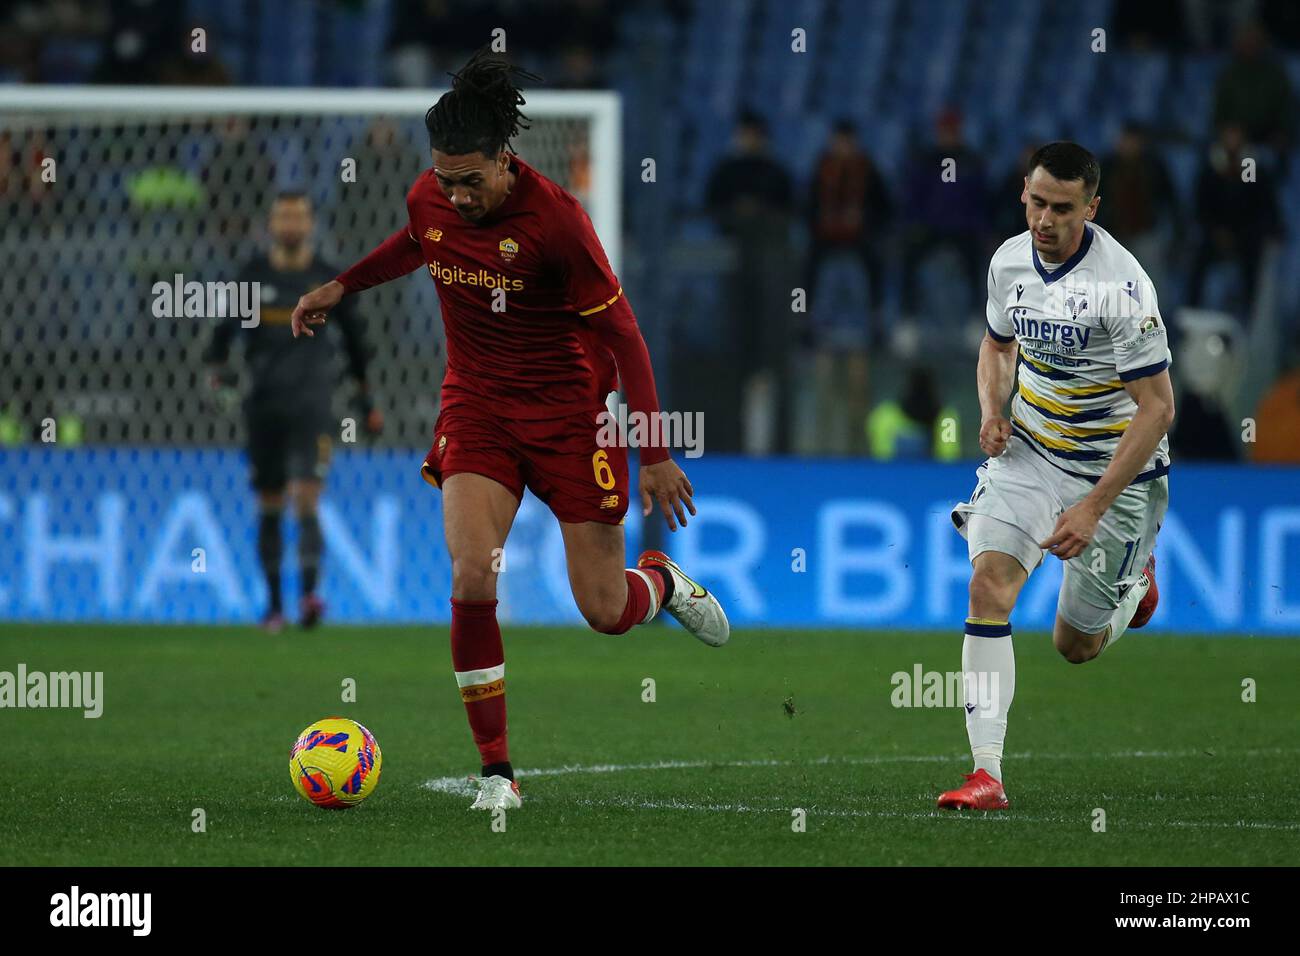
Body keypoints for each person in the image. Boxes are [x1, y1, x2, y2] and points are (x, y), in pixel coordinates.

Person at [288, 52, 730, 811]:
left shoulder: (558, 222)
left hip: (569, 419)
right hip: (478, 409)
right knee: (470, 576)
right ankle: (497, 772)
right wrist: (342, 284)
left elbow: (626, 338)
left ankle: (659, 582)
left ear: (506, 158)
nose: (457, 196)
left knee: (602, 610)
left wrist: (653, 455)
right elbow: (415, 239)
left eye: (472, 180)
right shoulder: (430, 196)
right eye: (446, 179)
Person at [940, 143, 1175, 811]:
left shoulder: (1121, 286)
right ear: (1024, 193)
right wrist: (993, 409)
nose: (1046, 219)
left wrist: (1095, 508)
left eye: (1063, 209)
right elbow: (995, 343)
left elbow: (1159, 409)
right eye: (1037, 202)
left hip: (1114, 474)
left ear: (1091, 208)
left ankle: (1136, 590)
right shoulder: (1009, 261)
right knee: (988, 584)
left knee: (1075, 645)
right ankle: (986, 776)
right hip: (1032, 455)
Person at [203, 192, 382, 633]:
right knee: (268, 503)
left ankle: (308, 598)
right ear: (270, 223)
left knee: (306, 497)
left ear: (310, 223)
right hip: (262, 405)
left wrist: (366, 400)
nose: (291, 224)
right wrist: (220, 377)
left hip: (313, 404)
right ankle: (274, 607)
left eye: (298, 216)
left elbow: (358, 341)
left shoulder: (325, 278)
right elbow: (218, 343)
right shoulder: (251, 277)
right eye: (283, 215)